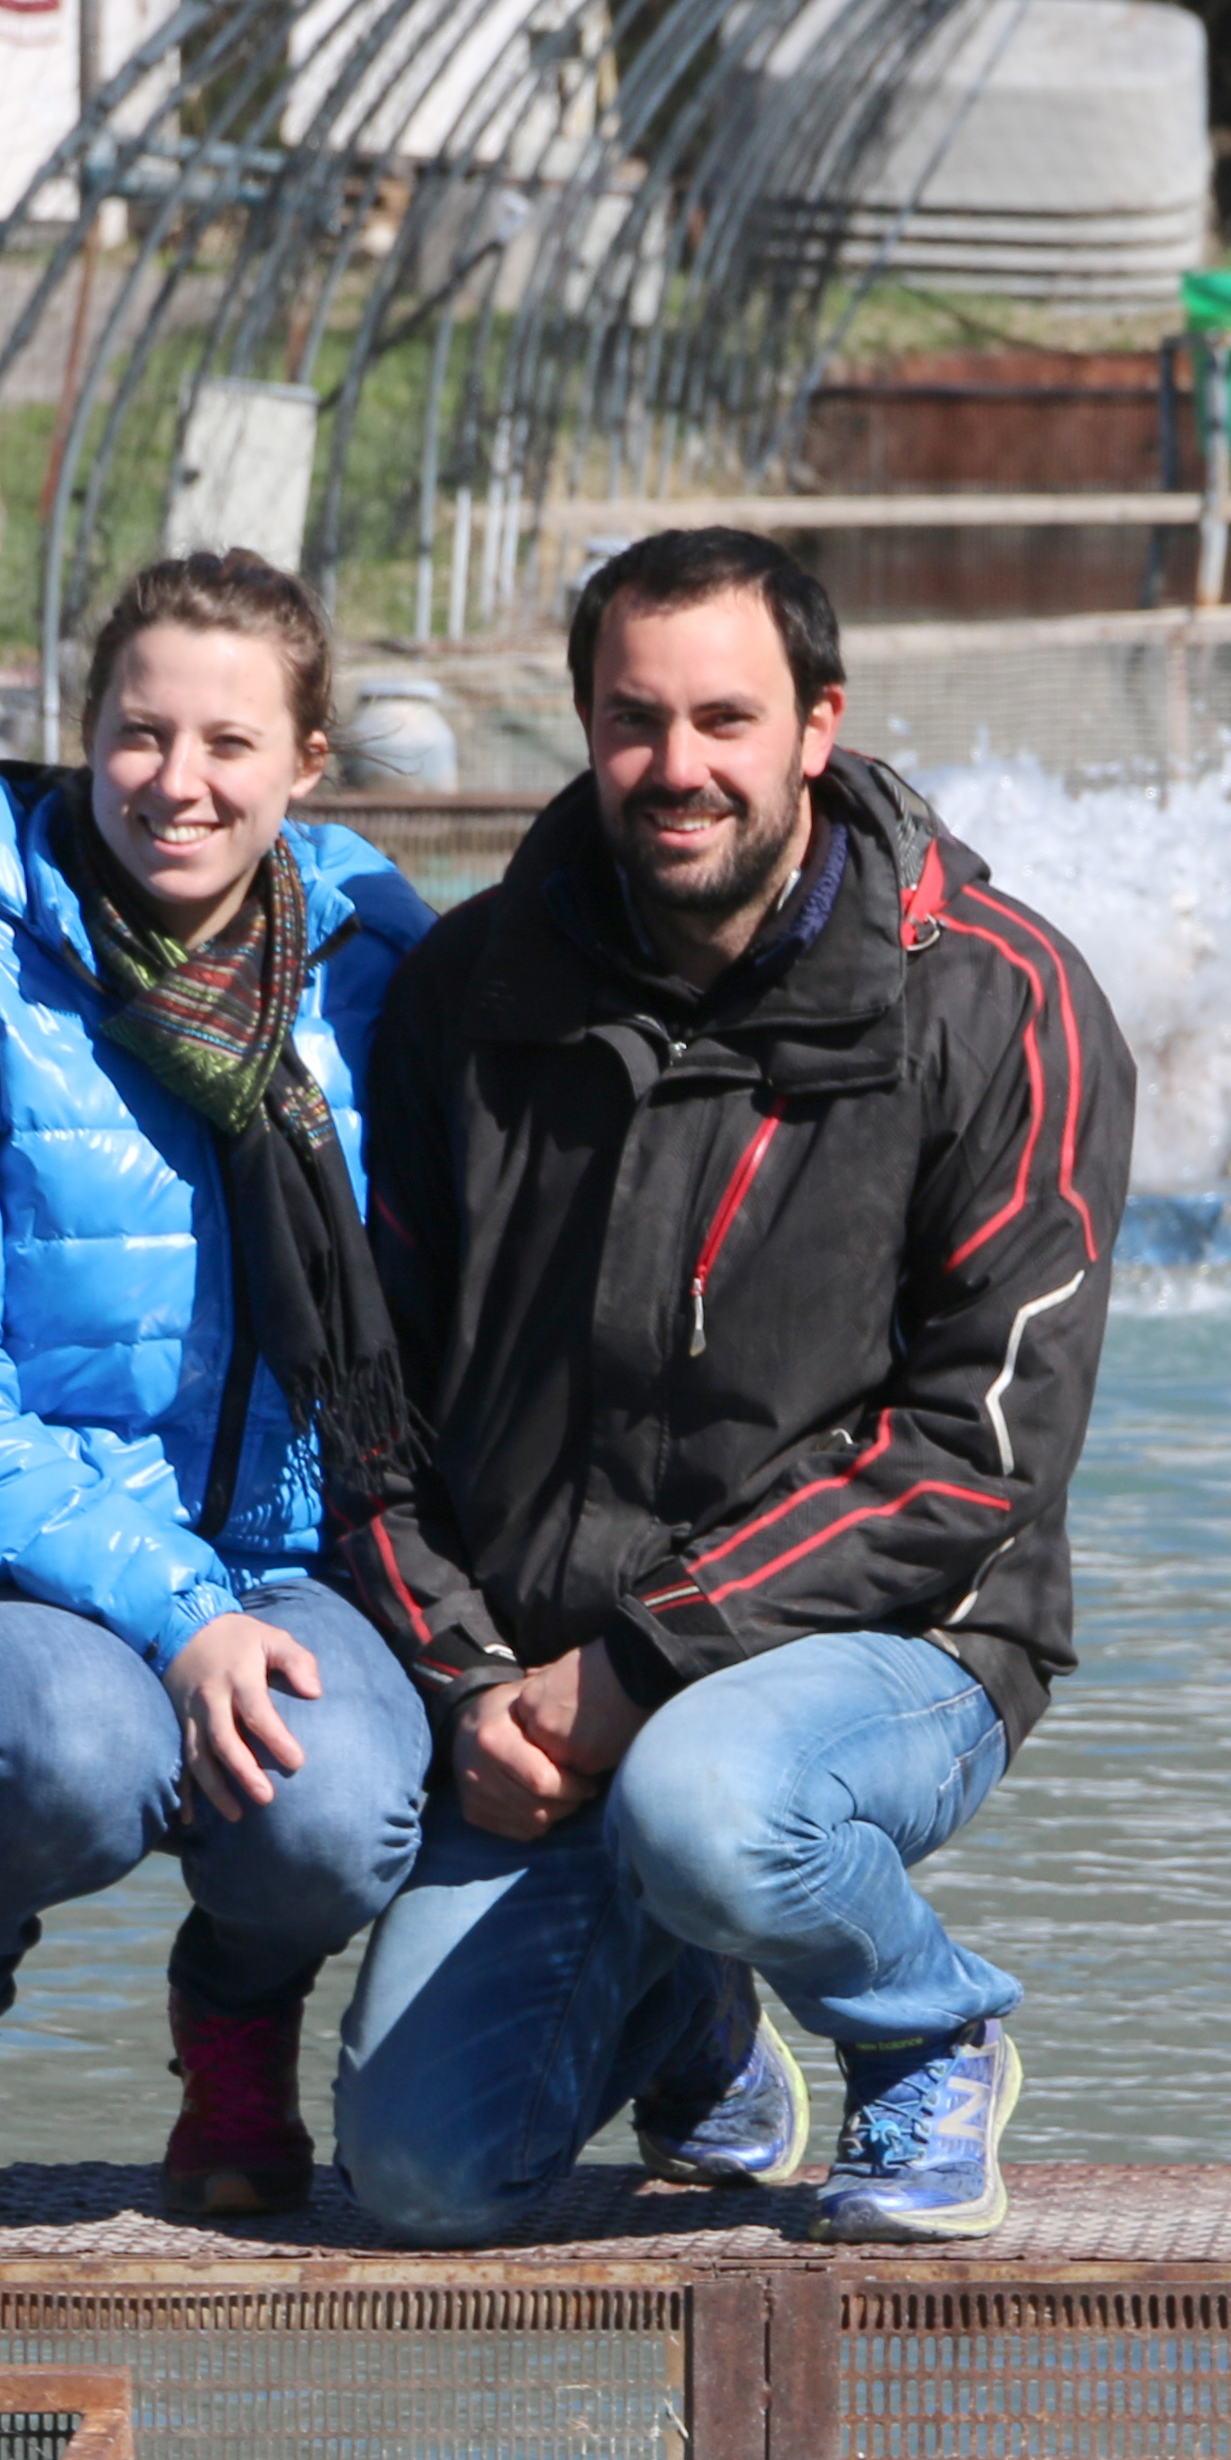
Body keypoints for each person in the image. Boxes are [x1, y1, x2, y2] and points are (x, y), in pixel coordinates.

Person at [331, 526, 1135, 2247]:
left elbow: (977, 1446)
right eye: (633, 720)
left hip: (902, 1646)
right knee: (418, 2173)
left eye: (725, 718)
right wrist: (472, 1674)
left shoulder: (994, 1000)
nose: (676, 767)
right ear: (581, 722)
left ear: (817, 726)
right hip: (547, 1677)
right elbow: (370, 1400)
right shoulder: (470, 997)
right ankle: (693, 2012)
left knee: (713, 1802)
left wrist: (638, 1665)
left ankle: (926, 2031)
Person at [0, 551, 436, 2234]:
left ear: (308, 763)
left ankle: (233, 2018)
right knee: (81, 1746)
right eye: (139, 733)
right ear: (80, 738)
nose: (179, 781)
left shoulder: (375, 989)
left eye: (230, 741)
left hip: (282, 1553)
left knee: (344, 1808)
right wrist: (176, 1609)